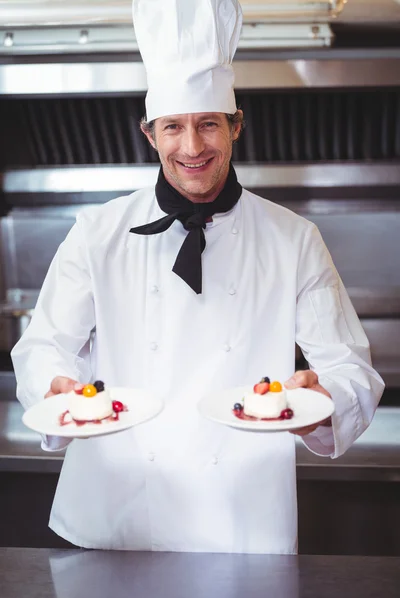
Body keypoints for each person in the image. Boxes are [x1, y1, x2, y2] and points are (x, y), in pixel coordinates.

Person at [11, 0, 384, 554]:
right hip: (113, 516)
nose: (192, 147)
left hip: (241, 524)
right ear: (149, 133)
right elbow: (43, 347)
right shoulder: (97, 232)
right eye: (173, 127)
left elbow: (351, 370)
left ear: (236, 125)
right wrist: (57, 388)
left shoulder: (293, 239)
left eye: (209, 123)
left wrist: (321, 401)